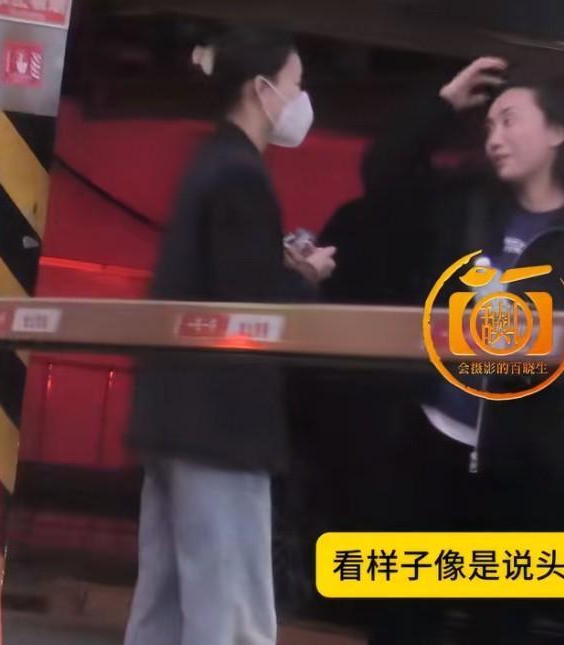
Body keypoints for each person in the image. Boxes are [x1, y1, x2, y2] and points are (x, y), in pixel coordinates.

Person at [360, 58, 564, 643]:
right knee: (401, 620)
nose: (494, 138)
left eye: (510, 120)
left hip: (522, 465)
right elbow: (382, 174)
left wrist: (562, 432)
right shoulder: (468, 209)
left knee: (500, 625)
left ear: (557, 130)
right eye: (489, 126)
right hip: (431, 445)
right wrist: (443, 104)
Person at [124, 27, 336, 645]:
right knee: (230, 614)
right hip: (221, 427)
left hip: (171, 421)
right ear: (261, 90)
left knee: (163, 611)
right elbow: (251, 307)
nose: (300, 100)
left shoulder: (208, 163)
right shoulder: (243, 176)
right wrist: (304, 279)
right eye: (295, 84)